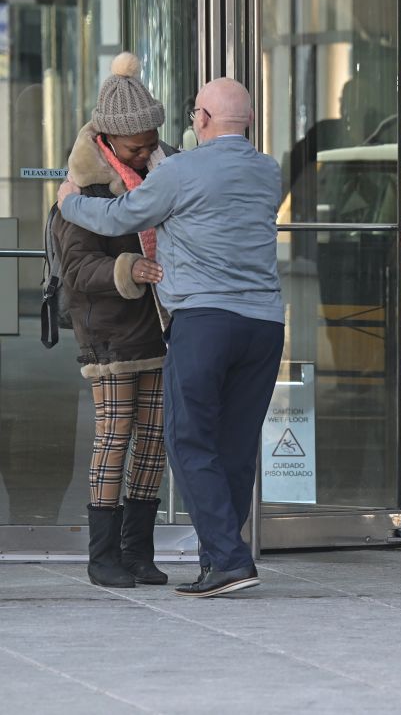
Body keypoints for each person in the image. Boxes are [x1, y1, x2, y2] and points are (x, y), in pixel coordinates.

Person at [57, 77, 284, 599]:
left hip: (206, 321)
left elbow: (122, 214)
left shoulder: (181, 172)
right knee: (235, 446)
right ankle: (220, 558)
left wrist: (69, 202)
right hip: (265, 323)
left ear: (201, 119)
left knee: (188, 440)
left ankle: (227, 561)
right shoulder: (267, 171)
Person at [56, 52, 174, 588]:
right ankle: (102, 555)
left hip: (159, 327)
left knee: (152, 439)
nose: (148, 154)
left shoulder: (161, 171)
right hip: (108, 330)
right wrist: (130, 267)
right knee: (116, 436)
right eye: (137, 147)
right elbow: (77, 268)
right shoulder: (80, 189)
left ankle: (138, 551)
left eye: (152, 143)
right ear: (107, 141)